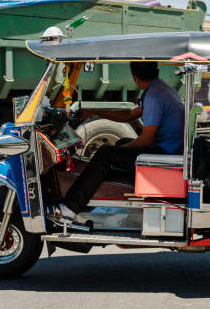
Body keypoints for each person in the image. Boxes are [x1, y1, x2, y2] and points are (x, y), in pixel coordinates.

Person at [50, 61, 184, 223]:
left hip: (165, 155)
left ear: (135, 78)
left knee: (106, 154)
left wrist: (117, 151)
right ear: (157, 71)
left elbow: (146, 140)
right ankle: (105, 193)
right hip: (170, 150)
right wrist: (94, 112)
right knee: (120, 144)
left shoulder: (154, 97)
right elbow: (129, 114)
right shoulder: (159, 89)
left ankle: (69, 209)